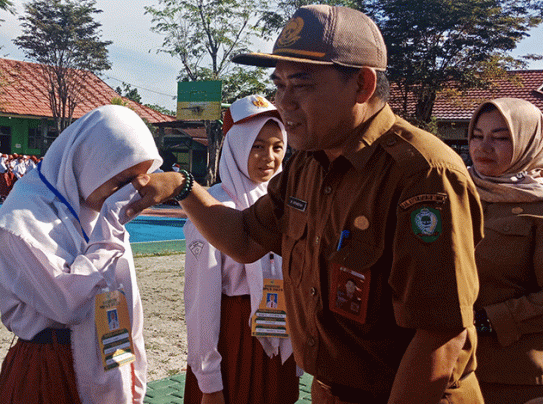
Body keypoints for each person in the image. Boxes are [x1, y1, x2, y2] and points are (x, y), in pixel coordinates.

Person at [127, 5, 484, 403]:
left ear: (363, 86)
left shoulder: (422, 175)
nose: (284, 103)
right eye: (279, 85)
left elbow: (439, 333)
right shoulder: (310, 166)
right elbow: (246, 239)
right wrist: (183, 187)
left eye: (302, 84)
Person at [0, 105, 162, 404]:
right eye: (122, 180)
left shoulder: (94, 211)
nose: (129, 192)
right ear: (91, 162)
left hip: (110, 355)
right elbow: (67, 304)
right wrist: (111, 223)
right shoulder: (20, 220)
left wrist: (135, 376)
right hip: (51, 370)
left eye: (141, 180)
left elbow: (129, 303)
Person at [183, 95, 299, 404]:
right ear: (236, 146)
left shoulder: (289, 204)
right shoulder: (213, 208)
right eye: (257, 146)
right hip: (232, 338)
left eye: (277, 146)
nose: (269, 158)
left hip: (278, 335)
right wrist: (209, 380)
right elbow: (201, 303)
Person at [468, 98, 543, 404]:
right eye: (477, 135)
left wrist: (487, 320)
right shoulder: (457, 192)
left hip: (513, 377)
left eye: (500, 137)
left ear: (528, 143)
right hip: (447, 362)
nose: (483, 147)